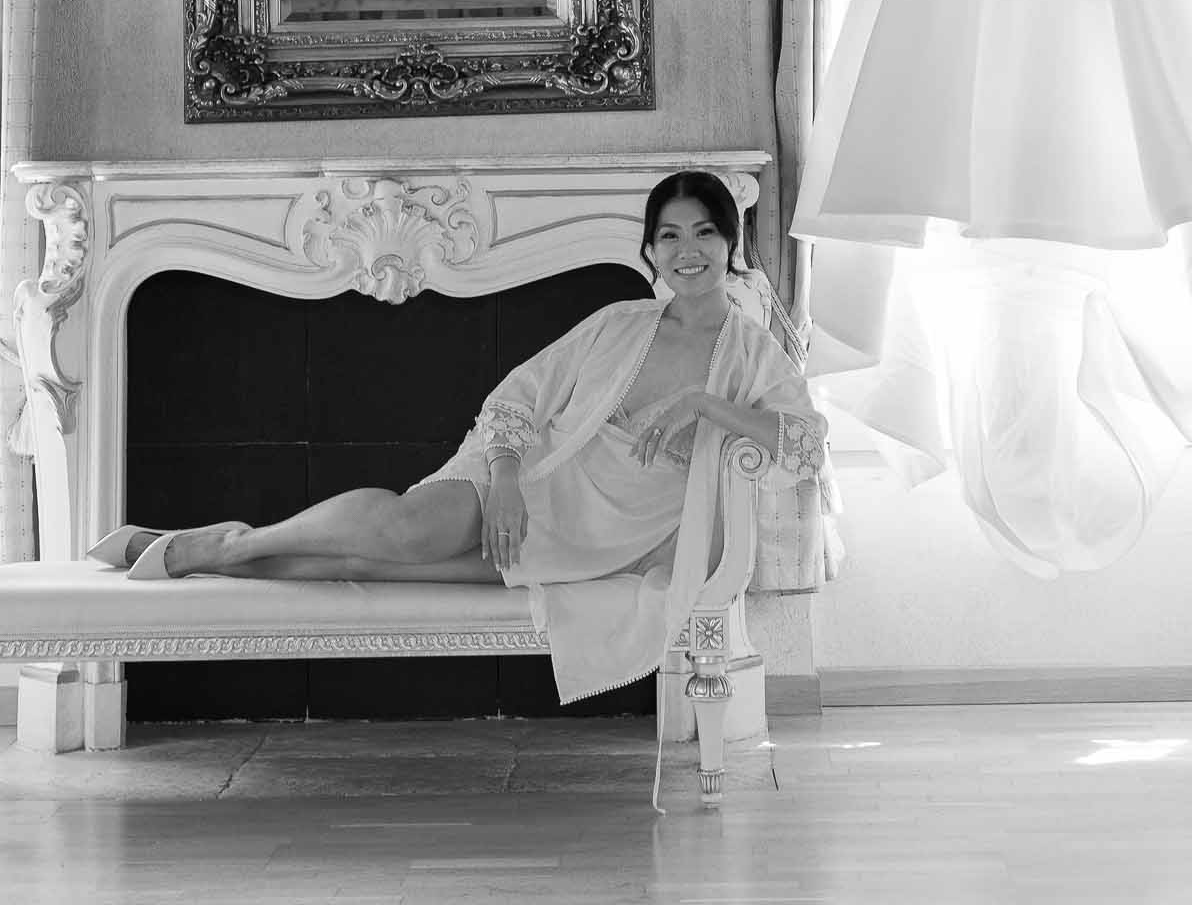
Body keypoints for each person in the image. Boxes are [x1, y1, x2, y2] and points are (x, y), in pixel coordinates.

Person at [90, 169, 827, 707]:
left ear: (729, 242)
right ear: (650, 250)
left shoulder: (751, 351)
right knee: (407, 532)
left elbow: (802, 447)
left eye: (703, 232)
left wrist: (704, 403)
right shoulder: (618, 322)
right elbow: (517, 397)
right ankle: (229, 545)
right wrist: (503, 477)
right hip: (521, 485)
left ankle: (193, 548)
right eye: (668, 235)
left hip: (596, 543)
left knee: (364, 566)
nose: (686, 249)